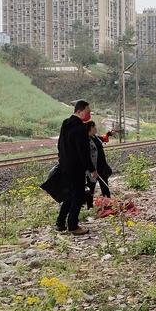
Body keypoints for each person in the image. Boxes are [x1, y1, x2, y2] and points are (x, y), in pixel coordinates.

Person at [56, 100, 96, 235]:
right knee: (78, 196)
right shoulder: (81, 129)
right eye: (88, 112)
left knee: (70, 195)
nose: (89, 114)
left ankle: (60, 223)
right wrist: (92, 169)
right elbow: (83, 152)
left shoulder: (65, 124)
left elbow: (60, 144)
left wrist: (61, 158)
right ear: (79, 111)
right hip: (76, 168)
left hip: (65, 166)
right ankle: (73, 226)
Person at [85, 121, 113, 208]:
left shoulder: (95, 137)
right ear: (91, 128)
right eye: (94, 127)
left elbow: (104, 138)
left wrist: (108, 134)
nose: (96, 128)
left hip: (102, 167)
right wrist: (92, 169)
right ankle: (90, 206)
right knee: (91, 187)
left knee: (105, 186)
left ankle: (108, 204)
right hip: (93, 168)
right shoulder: (85, 140)